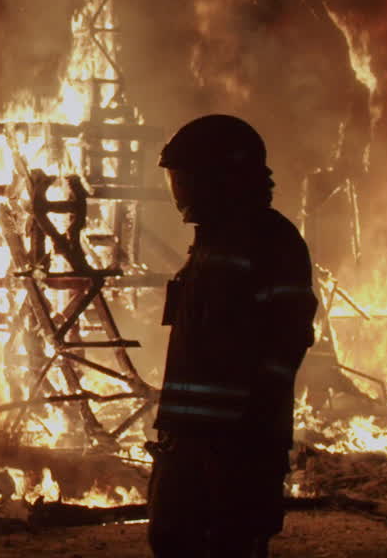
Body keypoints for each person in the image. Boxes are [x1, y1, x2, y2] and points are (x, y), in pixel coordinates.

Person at [147, 114, 317, 558]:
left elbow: (289, 334)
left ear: (222, 178)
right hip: (188, 438)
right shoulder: (209, 244)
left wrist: (255, 420)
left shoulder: (271, 241)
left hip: (238, 443)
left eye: (186, 179)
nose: (179, 192)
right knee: (172, 541)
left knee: (230, 544)